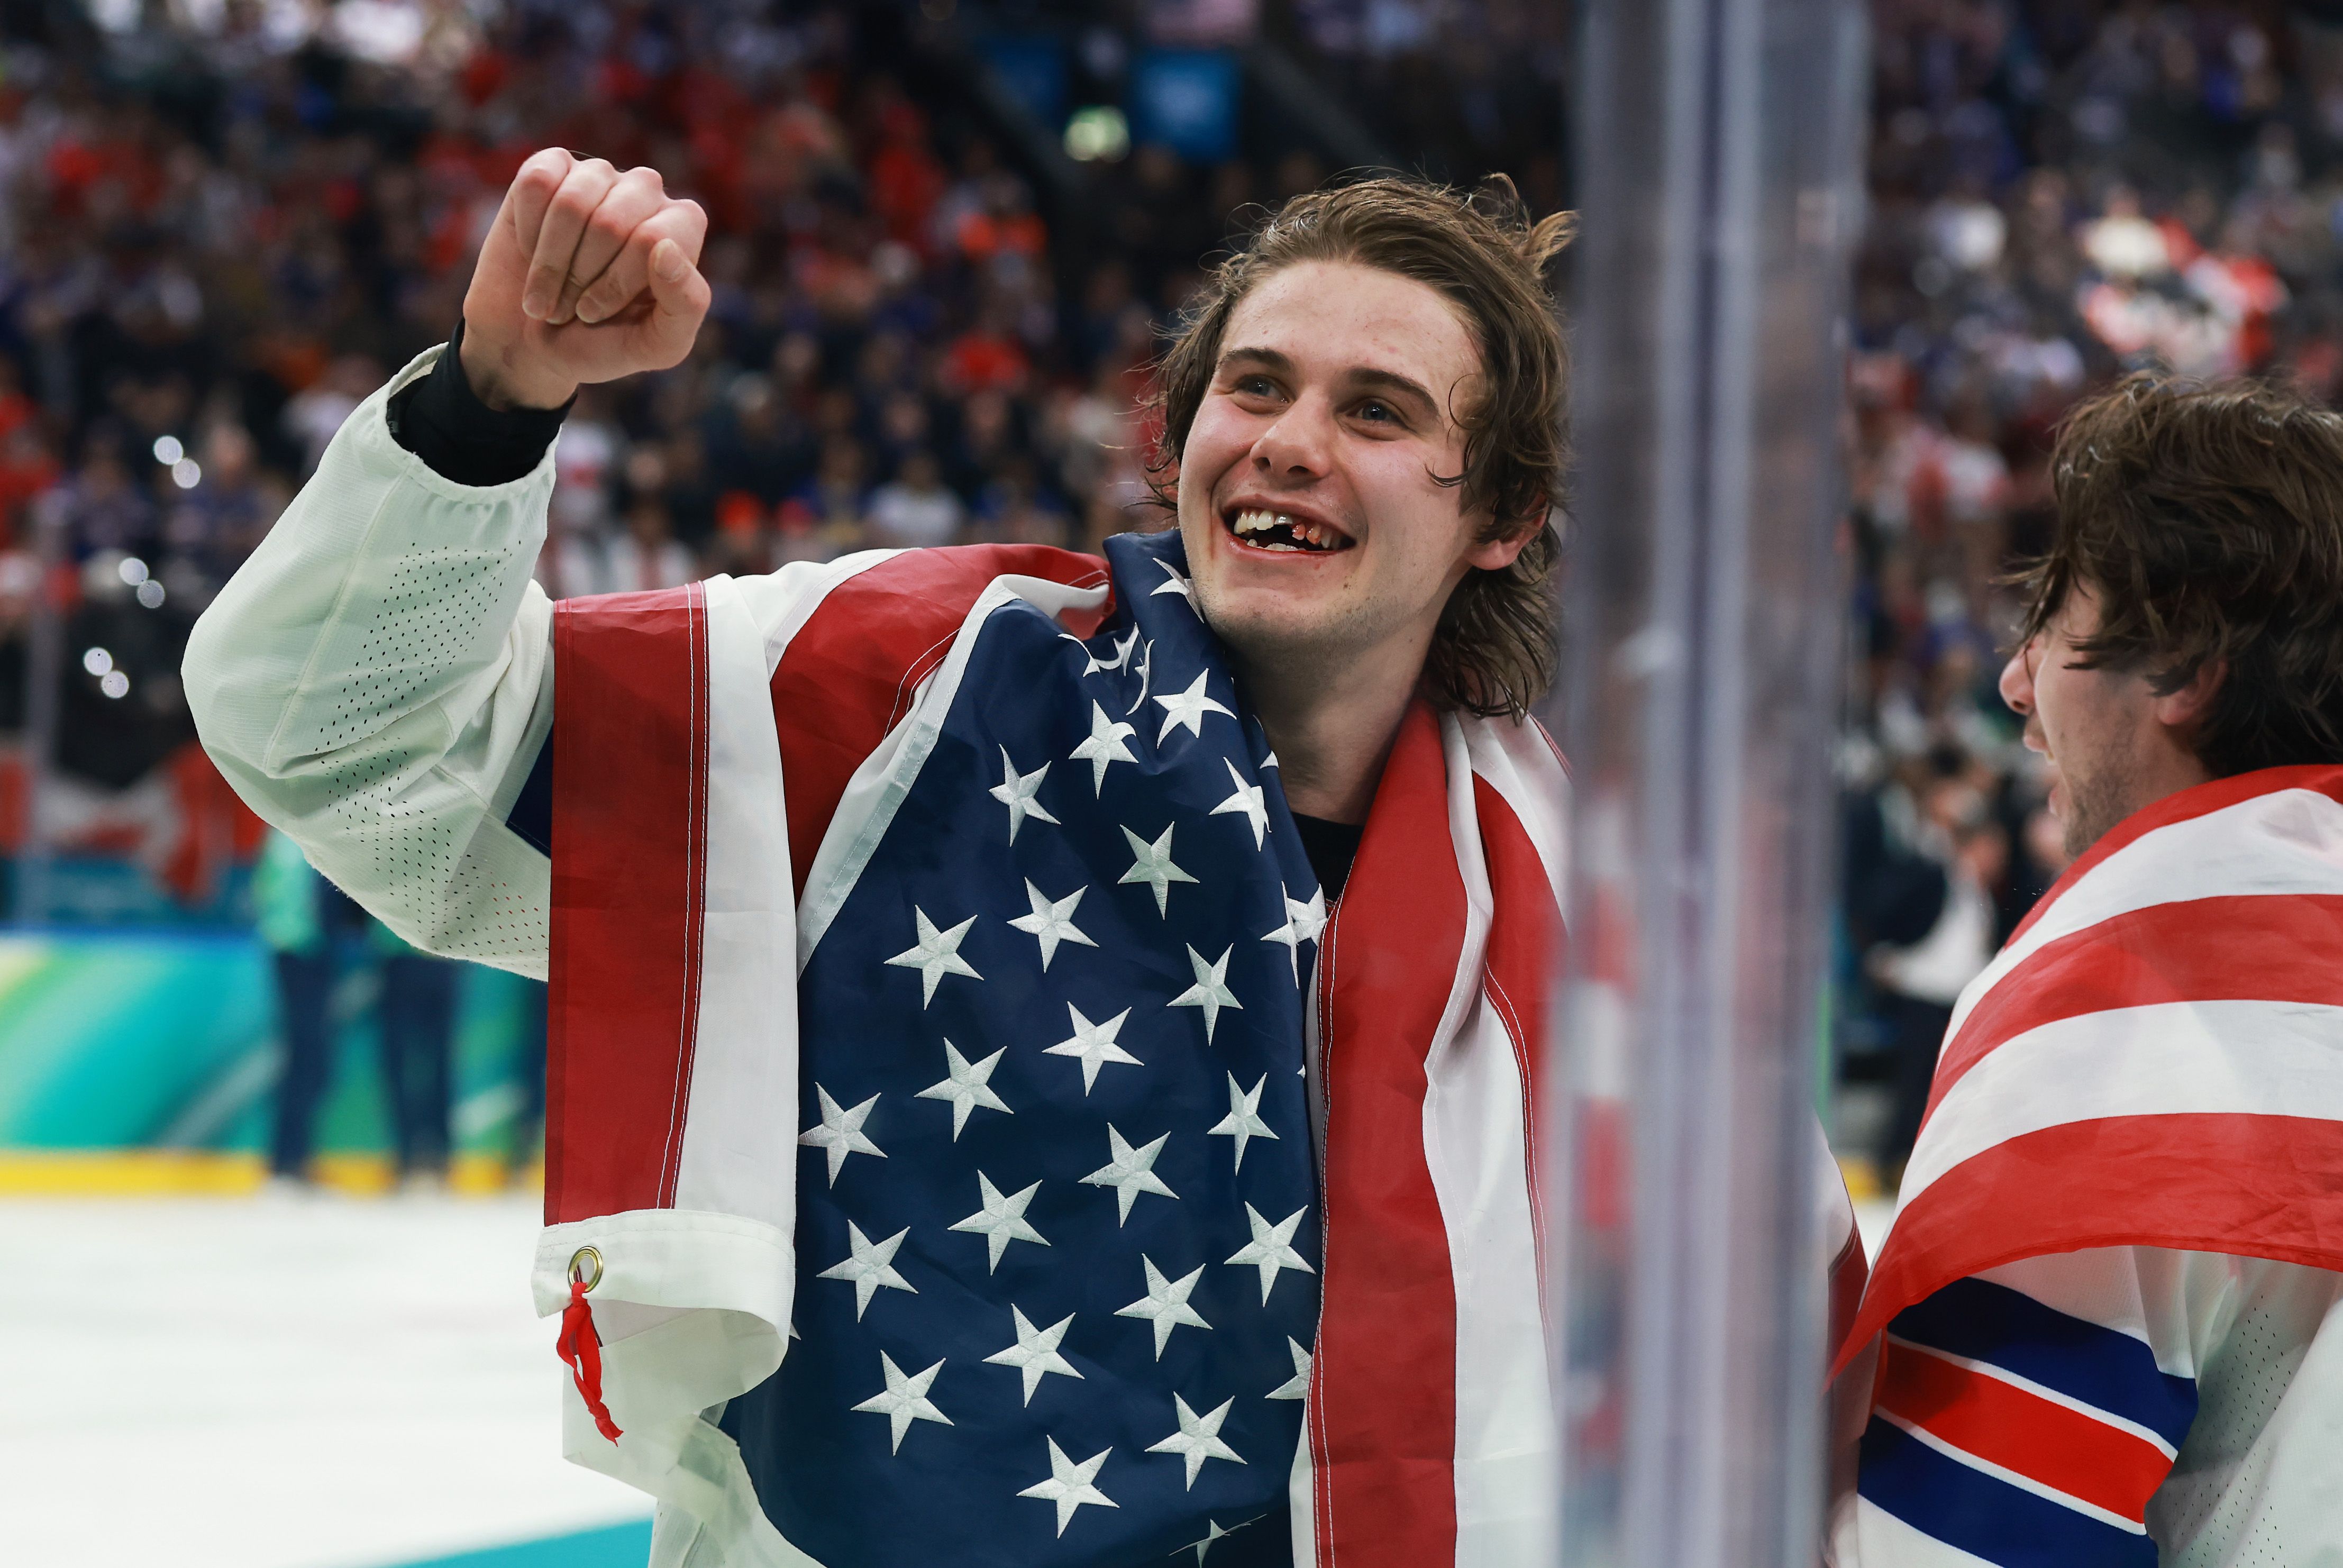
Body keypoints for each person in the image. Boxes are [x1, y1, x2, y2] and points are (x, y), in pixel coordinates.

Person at [184, 151, 1580, 1566]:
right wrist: (491, 399)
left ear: (1502, 517)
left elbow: (1778, 1397)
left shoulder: (1586, 910)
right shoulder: (900, 693)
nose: (1288, 439)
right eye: (1257, 385)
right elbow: (341, 741)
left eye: (1376, 411)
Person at [1832, 375, 2343, 1564]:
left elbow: (1966, 1548)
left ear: (2179, 666)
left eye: (2055, 618)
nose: (2015, 682)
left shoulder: (2122, 1022)